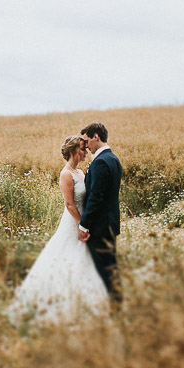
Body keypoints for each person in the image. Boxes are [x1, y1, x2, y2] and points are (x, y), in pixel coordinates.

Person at [7, 135, 109, 325]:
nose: (86, 151)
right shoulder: (66, 174)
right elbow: (70, 204)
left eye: (86, 148)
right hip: (73, 224)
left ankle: (85, 305)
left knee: (83, 261)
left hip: (84, 223)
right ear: (72, 151)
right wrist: (82, 225)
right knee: (65, 259)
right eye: (82, 149)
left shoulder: (81, 173)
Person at [78, 122, 123, 305]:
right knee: (110, 268)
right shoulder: (113, 158)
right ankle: (113, 305)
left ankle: (116, 308)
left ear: (96, 136)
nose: (86, 145)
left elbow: (96, 197)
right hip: (110, 224)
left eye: (87, 140)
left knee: (105, 270)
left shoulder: (101, 162)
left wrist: (84, 225)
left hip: (100, 226)